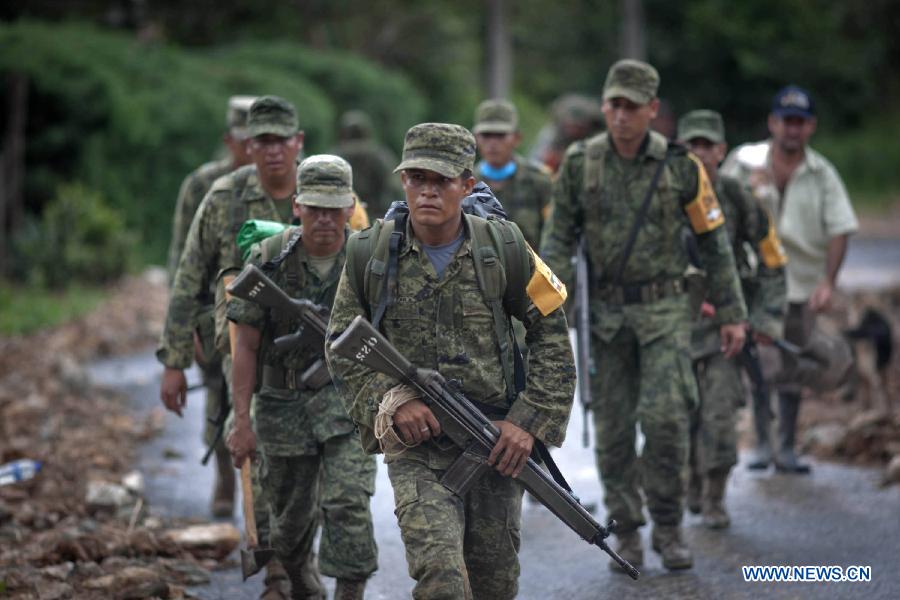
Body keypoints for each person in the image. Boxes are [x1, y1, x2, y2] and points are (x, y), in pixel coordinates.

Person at [325, 123, 575, 599]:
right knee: (441, 579)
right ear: (404, 181)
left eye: (441, 180)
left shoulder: (503, 246)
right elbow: (342, 342)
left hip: (495, 443)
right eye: (417, 177)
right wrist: (390, 403)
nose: (428, 190)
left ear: (467, 183)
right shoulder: (370, 252)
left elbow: (551, 335)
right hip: (416, 447)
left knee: (494, 584)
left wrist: (527, 423)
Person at [540, 59, 747, 571]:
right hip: (605, 317)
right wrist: (549, 307)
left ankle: (670, 528)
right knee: (611, 433)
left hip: (665, 313)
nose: (620, 114)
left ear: (652, 110)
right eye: (613, 104)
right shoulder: (580, 163)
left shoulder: (681, 167)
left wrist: (731, 312)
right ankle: (628, 532)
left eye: (632, 106)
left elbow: (714, 244)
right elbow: (557, 239)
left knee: (666, 422)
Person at [157, 95, 306, 598]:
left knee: (310, 465)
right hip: (241, 342)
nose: (269, 151)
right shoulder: (219, 196)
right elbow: (186, 275)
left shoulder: (321, 189)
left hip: (309, 348)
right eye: (258, 141)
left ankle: (299, 560)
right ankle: (275, 569)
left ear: (297, 143)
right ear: (243, 144)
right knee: (249, 438)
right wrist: (175, 359)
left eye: (279, 141)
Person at [227, 155, 378, 600]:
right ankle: (296, 575)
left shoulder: (367, 259)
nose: (325, 219)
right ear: (296, 206)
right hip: (282, 405)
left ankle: (349, 590)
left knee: (349, 501)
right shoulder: (270, 259)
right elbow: (246, 346)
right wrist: (241, 421)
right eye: (315, 208)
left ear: (351, 206)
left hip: (347, 404)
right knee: (288, 523)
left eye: (335, 208)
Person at [722, 86, 859, 473]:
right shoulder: (745, 163)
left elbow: (841, 228)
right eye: (786, 121)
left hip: (800, 285)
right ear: (773, 123)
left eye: (800, 123)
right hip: (754, 283)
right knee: (761, 361)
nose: (792, 130)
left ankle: (786, 445)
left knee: (793, 365)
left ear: (810, 127)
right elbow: (714, 208)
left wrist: (828, 281)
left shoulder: (822, 174)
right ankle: (763, 441)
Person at [677, 110, 787, 528]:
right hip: (675, 327)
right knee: (679, 418)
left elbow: (773, 259)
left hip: (727, 328)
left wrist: (765, 318)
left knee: (720, 417)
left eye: (707, 146)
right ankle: (688, 486)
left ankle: (715, 493)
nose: (699, 154)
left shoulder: (739, 195)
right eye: (691, 146)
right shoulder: (664, 197)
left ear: (722, 152)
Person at [163, 94, 256, 518]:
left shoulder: (289, 182)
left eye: (265, 140)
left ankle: (266, 501)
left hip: (267, 316)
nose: (254, 150)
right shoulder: (205, 186)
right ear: (228, 140)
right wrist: (185, 336)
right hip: (212, 315)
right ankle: (225, 476)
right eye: (245, 140)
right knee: (220, 399)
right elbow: (183, 263)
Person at [473, 99, 553, 249]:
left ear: (517, 138)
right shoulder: (464, 184)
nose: (493, 143)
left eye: (500, 135)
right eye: (486, 135)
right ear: (476, 138)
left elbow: (554, 235)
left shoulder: (539, 181)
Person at [332, 110, 401, 219]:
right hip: (376, 216)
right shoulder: (379, 153)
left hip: (342, 214)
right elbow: (394, 186)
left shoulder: (336, 155)